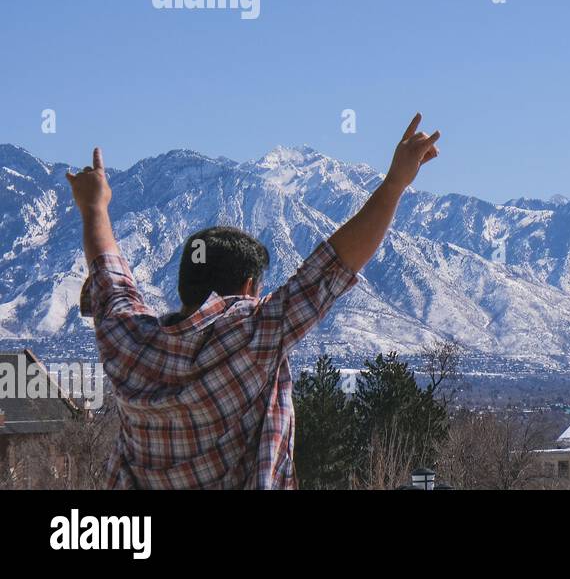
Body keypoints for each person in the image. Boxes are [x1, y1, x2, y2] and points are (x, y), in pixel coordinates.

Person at [66, 113, 441, 488]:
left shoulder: (129, 343)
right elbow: (333, 266)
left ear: (185, 284)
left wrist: (95, 208)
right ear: (248, 287)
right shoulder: (252, 336)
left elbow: (110, 275)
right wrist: (395, 184)